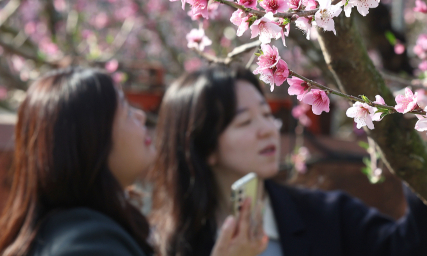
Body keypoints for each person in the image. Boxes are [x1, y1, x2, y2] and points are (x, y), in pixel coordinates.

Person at [152, 64, 427, 256]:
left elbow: (418, 249)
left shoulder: (325, 217)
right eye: (245, 123)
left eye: (267, 115)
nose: (267, 131)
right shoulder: (172, 244)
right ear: (204, 146)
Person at [0, 67, 264, 256]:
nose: (139, 115)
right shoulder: (85, 240)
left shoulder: (72, 228)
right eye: (125, 110)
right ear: (93, 137)